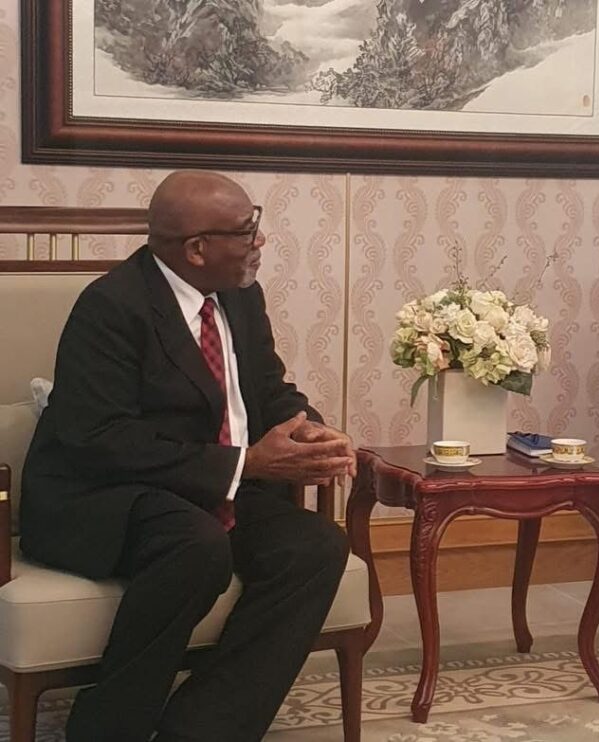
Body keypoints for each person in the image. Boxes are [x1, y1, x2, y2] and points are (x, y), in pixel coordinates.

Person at [19, 170, 357, 742]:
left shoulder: (240, 295)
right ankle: (106, 729)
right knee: (196, 545)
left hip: (203, 490)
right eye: (246, 230)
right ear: (197, 248)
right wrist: (245, 465)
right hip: (102, 497)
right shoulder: (111, 307)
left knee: (315, 546)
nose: (260, 240)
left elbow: (267, 389)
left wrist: (309, 432)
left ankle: (202, 729)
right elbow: (99, 438)